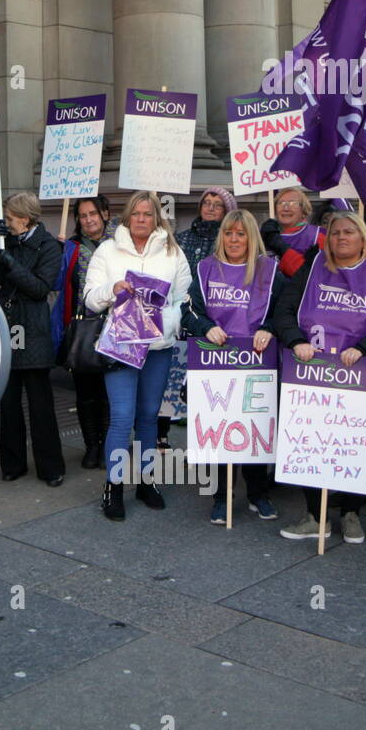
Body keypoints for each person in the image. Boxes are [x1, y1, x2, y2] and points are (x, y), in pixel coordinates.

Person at [274, 210, 366, 545]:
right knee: (311, 442)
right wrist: (296, 340)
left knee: (358, 447)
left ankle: (351, 512)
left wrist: (365, 348)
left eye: (349, 232)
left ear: (362, 236)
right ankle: (314, 515)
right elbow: (284, 311)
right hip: (313, 375)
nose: (341, 238)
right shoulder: (312, 268)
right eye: (335, 233)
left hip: (361, 376)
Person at [83, 190, 192, 519]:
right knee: (121, 417)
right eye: (136, 214)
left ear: (157, 217)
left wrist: (167, 321)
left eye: (148, 214)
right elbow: (89, 297)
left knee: (148, 416)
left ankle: (146, 481)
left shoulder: (173, 252)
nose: (142, 219)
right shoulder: (107, 249)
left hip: (158, 347)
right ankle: (113, 487)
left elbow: (184, 298)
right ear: (127, 217)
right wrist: (112, 289)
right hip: (121, 346)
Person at [181, 210, 283, 523]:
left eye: (240, 234)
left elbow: (288, 311)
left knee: (254, 430)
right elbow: (189, 311)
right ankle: (222, 496)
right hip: (217, 363)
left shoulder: (270, 270)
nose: (234, 239)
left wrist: (271, 328)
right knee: (221, 433)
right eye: (228, 233)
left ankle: (258, 493)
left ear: (251, 237)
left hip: (257, 362)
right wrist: (205, 327)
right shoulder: (205, 269)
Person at [0, 191, 66, 485]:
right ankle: (12, 464)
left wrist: (10, 261)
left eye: (10, 218)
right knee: (8, 402)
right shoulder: (7, 239)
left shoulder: (48, 246)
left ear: (25, 218)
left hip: (33, 327)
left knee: (39, 403)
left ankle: (51, 467)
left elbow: (39, 288)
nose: (7, 223)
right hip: (8, 323)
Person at [160, 187, 237, 448]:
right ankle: (162, 439)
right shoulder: (181, 238)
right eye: (207, 202)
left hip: (216, 325)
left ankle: (206, 443)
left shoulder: (231, 242)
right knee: (172, 387)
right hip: (183, 320)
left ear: (228, 211)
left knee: (208, 393)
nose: (211, 207)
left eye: (218, 204)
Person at [53, 196, 111, 469]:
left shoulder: (120, 245)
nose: (88, 219)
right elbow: (55, 284)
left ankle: (110, 444)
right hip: (83, 330)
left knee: (111, 392)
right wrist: (55, 253)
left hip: (115, 330)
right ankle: (92, 446)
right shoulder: (71, 248)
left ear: (105, 214)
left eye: (93, 213)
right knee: (86, 391)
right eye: (83, 215)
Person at [260, 187, 320, 277]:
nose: (286, 208)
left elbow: (310, 275)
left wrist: (279, 245)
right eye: (281, 203)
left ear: (303, 210)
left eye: (293, 203)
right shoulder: (267, 234)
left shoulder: (318, 235)